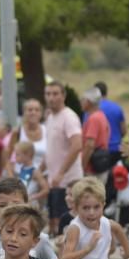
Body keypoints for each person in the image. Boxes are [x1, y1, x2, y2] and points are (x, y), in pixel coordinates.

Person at [43, 81, 83, 235]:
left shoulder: (69, 117)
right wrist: (41, 169)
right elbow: (52, 147)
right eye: (48, 94)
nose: (51, 98)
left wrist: (61, 172)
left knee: (67, 226)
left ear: (63, 96)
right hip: (54, 180)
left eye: (55, 94)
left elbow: (77, 145)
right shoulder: (51, 117)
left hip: (68, 180)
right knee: (55, 226)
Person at [7, 99, 48, 174]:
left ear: (41, 113)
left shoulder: (48, 131)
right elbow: (7, 157)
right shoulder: (17, 132)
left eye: (37, 110)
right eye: (30, 110)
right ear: (24, 113)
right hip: (21, 177)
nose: (33, 112)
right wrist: (11, 177)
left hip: (43, 176)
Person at [79, 87, 111, 175]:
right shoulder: (101, 116)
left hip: (91, 169)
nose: (80, 102)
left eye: (82, 100)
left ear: (88, 102)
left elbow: (89, 145)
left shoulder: (93, 119)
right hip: (100, 165)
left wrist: (81, 166)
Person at [95, 81, 127, 163]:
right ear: (106, 92)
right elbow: (124, 131)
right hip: (116, 150)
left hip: (99, 153)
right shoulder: (117, 108)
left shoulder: (91, 110)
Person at [12, 141, 49, 208]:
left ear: (27, 155)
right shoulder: (22, 168)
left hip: (31, 205)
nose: (15, 157)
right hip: (22, 203)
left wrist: (32, 197)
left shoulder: (35, 170)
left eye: (17, 155)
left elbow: (46, 189)